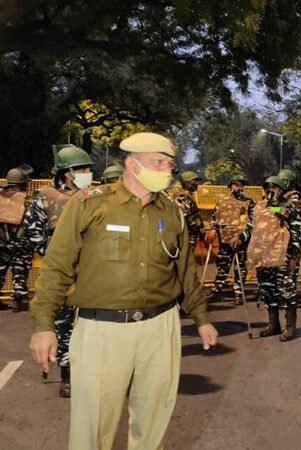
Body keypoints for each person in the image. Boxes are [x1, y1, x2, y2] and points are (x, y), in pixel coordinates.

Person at [28, 132, 218, 449]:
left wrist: (202, 318)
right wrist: (43, 325)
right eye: (159, 162)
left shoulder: (172, 213)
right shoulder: (89, 205)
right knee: (92, 428)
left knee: (153, 424)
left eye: (169, 164)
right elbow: (57, 268)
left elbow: (186, 271)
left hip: (161, 328)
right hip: (102, 329)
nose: (167, 170)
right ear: (132, 164)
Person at [23, 145, 94, 397]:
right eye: (81, 169)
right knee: (64, 326)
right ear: (66, 173)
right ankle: (68, 376)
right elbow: (32, 230)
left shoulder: (94, 196)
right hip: (63, 275)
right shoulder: (45, 197)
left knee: (94, 324)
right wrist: (53, 255)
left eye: (88, 169)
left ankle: (94, 372)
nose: (87, 173)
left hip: (91, 273)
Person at [242, 175, 301, 341]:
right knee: (268, 292)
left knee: (286, 292)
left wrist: (294, 257)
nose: (270, 190)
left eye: (274, 187)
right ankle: (273, 325)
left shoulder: (289, 207)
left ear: (281, 190)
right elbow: (251, 227)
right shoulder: (258, 207)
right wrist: (239, 237)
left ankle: (290, 327)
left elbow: (297, 234)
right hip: (263, 257)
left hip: (282, 257)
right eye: (267, 187)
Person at [208, 175, 254, 305]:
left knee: (240, 268)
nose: (239, 187)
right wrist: (213, 229)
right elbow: (214, 217)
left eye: (241, 184)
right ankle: (216, 291)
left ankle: (238, 293)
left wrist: (277, 208)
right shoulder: (222, 201)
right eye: (236, 184)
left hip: (241, 241)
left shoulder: (249, 202)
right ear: (230, 186)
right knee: (223, 267)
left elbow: (254, 219)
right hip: (225, 240)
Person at [0, 166, 34, 312]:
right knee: (20, 269)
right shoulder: (27, 200)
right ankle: (19, 300)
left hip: (1, 241)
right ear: (23, 183)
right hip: (21, 241)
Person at [277, 168, 301, 291]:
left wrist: (271, 208)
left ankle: (289, 295)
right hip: (282, 237)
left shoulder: (295, 197)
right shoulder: (284, 196)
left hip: (293, 236)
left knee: (290, 269)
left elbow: (286, 211)